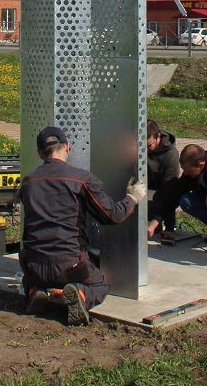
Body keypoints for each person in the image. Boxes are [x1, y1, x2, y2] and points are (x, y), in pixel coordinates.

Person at [19, 126, 147, 326]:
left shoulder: (28, 181)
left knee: (35, 278)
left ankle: (37, 291)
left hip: (33, 265)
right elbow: (112, 216)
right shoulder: (81, 179)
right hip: (69, 264)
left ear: (39, 153)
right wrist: (132, 198)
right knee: (100, 285)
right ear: (68, 147)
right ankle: (79, 293)